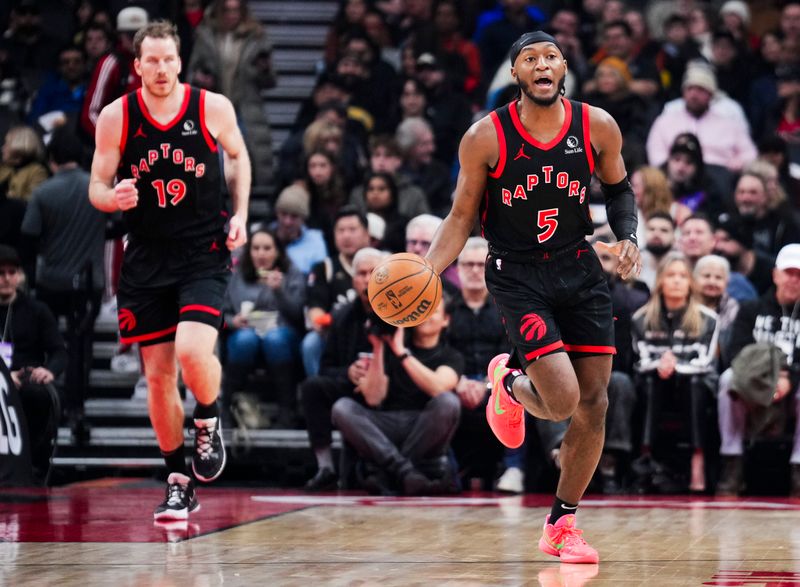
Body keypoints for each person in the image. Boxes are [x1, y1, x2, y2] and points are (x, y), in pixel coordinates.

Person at [424, 31, 641, 564]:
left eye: (550, 57)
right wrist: (429, 271)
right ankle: (511, 381)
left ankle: (561, 523)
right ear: (516, 74)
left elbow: (619, 190)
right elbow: (460, 217)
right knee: (563, 400)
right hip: (517, 275)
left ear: (564, 67)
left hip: (580, 268)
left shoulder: (597, 125)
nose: (541, 65)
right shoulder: (485, 137)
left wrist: (630, 235)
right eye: (529, 59)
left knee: (596, 403)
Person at [88, 21, 250, 521]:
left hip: (203, 250)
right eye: (150, 61)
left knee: (191, 350)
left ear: (180, 62)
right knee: (158, 379)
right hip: (146, 256)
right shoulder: (117, 117)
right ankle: (178, 479)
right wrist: (110, 198)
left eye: (168, 59)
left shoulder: (211, 107)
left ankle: (208, 415)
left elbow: (239, 157)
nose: (160, 69)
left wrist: (241, 214)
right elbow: (95, 184)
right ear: (137, 68)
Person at [20, 127, 106, 441]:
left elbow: (29, 239)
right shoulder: (97, 189)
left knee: (48, 345)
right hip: (87, 283)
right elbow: (118, 223)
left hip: (50, 282)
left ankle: (44, 405)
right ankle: (76, 411)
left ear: (52, 158)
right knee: (80, 348)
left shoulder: (43, 192)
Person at [630, 253, 719, 493]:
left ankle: (697, 457)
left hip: (695, 384)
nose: (677, 281)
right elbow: (639, 360)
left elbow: (706, 361)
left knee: (695, 384)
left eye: (682, 276)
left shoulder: (708, 319)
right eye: (671, 275)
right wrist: (660, 365)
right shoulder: (641, 318)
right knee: (650, 380)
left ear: (691, 282)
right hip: (656, 382)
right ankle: (646, 455)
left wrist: (675, 365)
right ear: (660, 281)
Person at [716, 244, 800, 496]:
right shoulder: (752, 309)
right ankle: (732, 463)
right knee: (727, 380)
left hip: (793, 385)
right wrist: (770, 379)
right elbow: (736, 353)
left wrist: (789, 379)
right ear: (775, 274)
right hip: (752, 381)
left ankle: (798, 467)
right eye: (789, 272)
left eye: (799, 274)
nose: (794, 279)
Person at [300, 247, 385, 491]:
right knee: (312, 387)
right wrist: (348, 372)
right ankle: (325, 466)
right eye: (361, 273)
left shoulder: (400, 312)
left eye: (374, 272)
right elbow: (326, 368)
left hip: (390, 387)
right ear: (353, 280)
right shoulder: (342, 315)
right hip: (351, 387)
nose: (367, 279)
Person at [222, 227, 306, 429]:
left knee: (274, 339)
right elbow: (220, 312)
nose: (261, 253)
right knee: (244, 340)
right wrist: (233, 321)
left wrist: (279, 291)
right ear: (249, 251)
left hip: (281, 334)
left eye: (267, 248)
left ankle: (287, 410)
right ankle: (226, 408)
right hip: (244, 333)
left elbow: (298, 314)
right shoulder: (236, 274)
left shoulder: (292, 273)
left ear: (277, 251)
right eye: (256, 248)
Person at [0, 245, 66, 486]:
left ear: (19, 275)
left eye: (11, 272)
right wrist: (6, 377)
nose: (6, 278)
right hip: (3, 379)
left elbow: (59, 351)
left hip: (27, 381)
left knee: (36, 396)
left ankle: (36, 465)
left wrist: (49, 370)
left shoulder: (37, 310)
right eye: (1, 273)